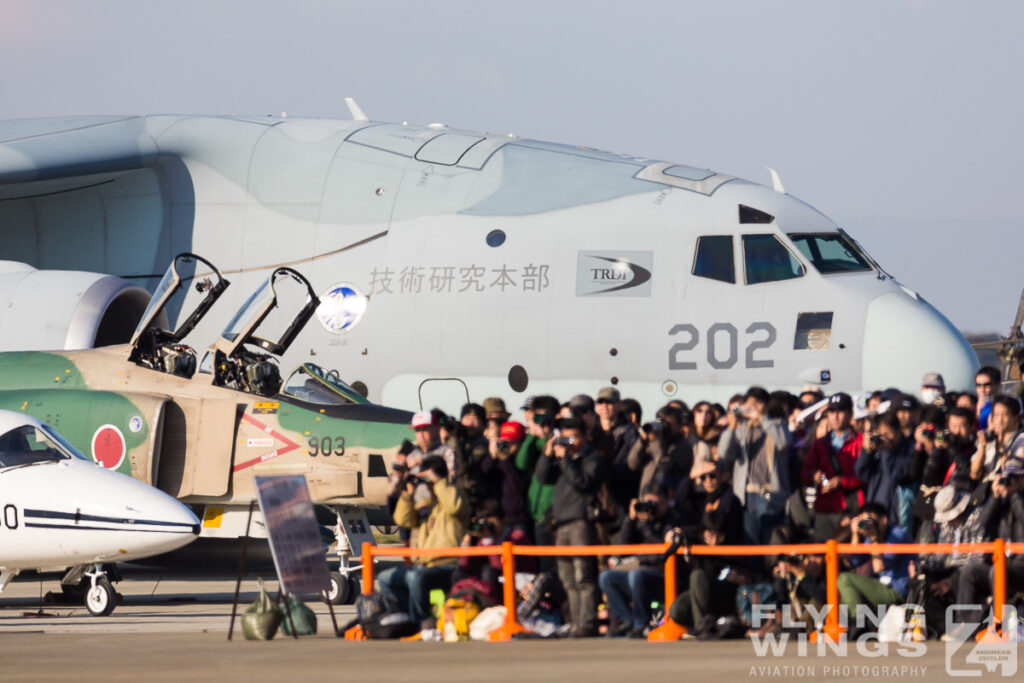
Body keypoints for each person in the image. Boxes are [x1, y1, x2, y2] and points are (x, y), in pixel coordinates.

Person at [379, 455, 470, 629]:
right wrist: (407, 495)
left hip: (449, 565)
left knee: (415, 577)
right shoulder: (427, 504)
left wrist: (439, 481)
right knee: (385, 578)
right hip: (426, 565)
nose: (426, 483)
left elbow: (454, 506)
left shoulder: (456, 497)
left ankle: (420, 621)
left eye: (428, 478)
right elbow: (403, 520)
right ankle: (407, 618)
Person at [534, 417, 605, 637]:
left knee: (583, 575)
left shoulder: (592, 458)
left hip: (580, 522)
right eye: (565, 437)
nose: (569, 442)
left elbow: (584, 483)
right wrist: (548, 454)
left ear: (585, 437)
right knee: (567, 578)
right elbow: (543, 477)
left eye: (573, 437)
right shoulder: (564, 459)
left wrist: (566, 461)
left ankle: (587, 622)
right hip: (561, 523)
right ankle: (575, 623)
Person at [598, 483, 680, 637]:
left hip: (663, 577)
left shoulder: (673, 520)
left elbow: (661, 554)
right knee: (606, 577)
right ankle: (629, 622)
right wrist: (630, 519)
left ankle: (640, 623)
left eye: (657, 504)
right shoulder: (641, 520)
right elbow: (621, 549)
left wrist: (645, 524)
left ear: (666, 502)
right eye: (649, 504)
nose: (653, 508)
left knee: (636, 575)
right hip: (641, 574)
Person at [952, 456, 1024, 627]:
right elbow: (981, 525)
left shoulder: (1017, 499)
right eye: (1008, 477)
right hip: (1002, 562)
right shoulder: (1002, 500)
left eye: (1017, 477)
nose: (1011, 481)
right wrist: (995, 496)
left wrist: (1015, 496)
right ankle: (967, 626)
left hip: (1020, 566)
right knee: (969, 571)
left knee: (998, 571)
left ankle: (999, 625)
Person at [719, 386, 792, 545]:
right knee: (750, 544)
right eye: (750, 404)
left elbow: (783, 442)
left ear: (766, 405)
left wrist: (762, 418)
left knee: (770, 544)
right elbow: (724, 453)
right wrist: (732, 426)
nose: (753, 408)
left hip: (769, 493)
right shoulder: (742, 429)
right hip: (746, 496)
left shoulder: (777, 424)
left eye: (758, 403)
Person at [837, 502, 912, 629]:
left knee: (845, 578)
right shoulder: (870, 538)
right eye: (862, 521)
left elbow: (879, 567)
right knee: (845, 591)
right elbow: (855, 561)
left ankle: (859, 624)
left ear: (883, 520)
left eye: (868, 520)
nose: (865, 524)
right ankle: (845, 630)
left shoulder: (898, 535)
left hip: (897, 591)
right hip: (881, 586)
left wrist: (873, 538)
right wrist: (855, 534)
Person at [800, 393, 864, 541]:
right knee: (822, 556)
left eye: (840, 411)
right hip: (824, 509)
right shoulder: (819, 444)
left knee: (848, 557)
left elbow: (867, 477)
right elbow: (804, 474)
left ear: (850, 414)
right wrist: (813, 476)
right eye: (832, 411)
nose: (835, 416)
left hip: (850, 509)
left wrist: (843, 482)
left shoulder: (860, 442)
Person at [856, 412, 912, 532]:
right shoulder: (878, 451)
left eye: (887, 433)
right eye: (881, 434)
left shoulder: (908, 449)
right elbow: (861, 473)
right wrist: (866, 452)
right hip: (876, 515)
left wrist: (886, 450)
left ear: (898, 431)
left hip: (897, 518)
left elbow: (896, 474)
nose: (884, 438)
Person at [627, 404, 693, 498]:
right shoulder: (652, 440)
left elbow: (665, 467)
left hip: (666, 502)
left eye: (668, 424)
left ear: (679, 426)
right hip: (645, 497)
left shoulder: (684, 446)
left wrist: (656, 441)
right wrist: (642, 442)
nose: (664, 426)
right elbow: (633, 464)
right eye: (662, 421)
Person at [970, 395, 1022, 482]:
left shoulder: (1021, 440)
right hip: (983, 490)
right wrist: (982, 447)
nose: (1000, 419)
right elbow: (974, 474)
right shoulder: (989, 440)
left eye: (1005, 414)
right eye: (997, 415)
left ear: (1015, 417)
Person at [975, 366, 1002, 432]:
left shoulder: (1006, 405)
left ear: (998, 385)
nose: (982, 389)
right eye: (978, 385)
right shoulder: (972, 406)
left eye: (987, 385)